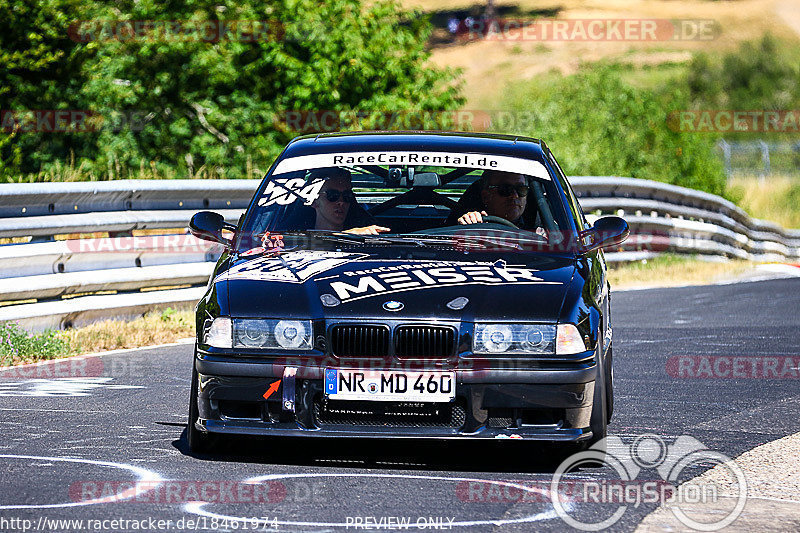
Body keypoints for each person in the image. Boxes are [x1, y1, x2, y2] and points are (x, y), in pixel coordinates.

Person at [309, 168, 390, 235]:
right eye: (332, 195)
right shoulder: (299, 239)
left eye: (347, 196)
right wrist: (347, 235)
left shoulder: (369, 238)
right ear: (313, 201)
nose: (341, 202)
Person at [457, 169, 529, 226]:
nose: (515, 195)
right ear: (486, 197)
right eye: (505, 189)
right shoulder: (475, 223)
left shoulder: (538, 229)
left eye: (521, 189)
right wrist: (468, 222)